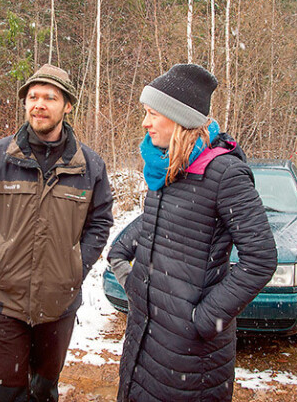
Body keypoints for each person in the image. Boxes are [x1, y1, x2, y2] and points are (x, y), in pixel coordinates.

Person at [112, 64, 277, 401]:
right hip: (145, 337)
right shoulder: (167, 165)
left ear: (179, 119)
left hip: (190, 357)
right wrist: (124, 262)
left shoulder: (224, 173)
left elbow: (260, 259)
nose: (145, 123)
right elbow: (160, 222)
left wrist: (203, 319)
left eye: (152, 114)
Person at [0, 64, 114, 401]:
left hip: (59, 302)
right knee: (6, 392)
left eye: (50, 97)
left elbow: (100, 221)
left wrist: (76, 265)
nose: (39, 104)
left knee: (44, 391)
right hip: (6, 300)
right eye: (33, 97)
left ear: (68, 105)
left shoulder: (89, 166)